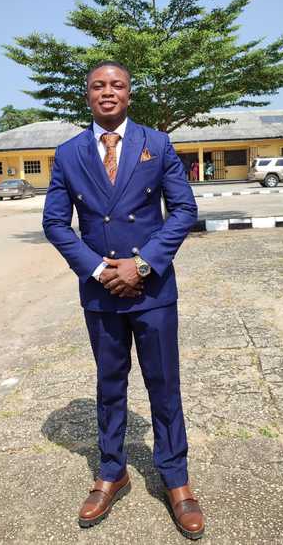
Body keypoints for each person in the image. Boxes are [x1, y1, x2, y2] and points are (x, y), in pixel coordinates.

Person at [42, 61, 205, 539]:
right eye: (98, 85)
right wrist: (99, 268)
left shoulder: (157, 143)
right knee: (110, 386)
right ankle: (112, 471)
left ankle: (176, 479)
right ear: (87, 95)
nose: (107, 92)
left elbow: (184, 210)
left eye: (117, 85)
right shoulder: (69, 153)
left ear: (129, 94)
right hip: (101, 292)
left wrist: (143, 263)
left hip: (152, 289)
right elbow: (55, 222)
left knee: (163, 385)